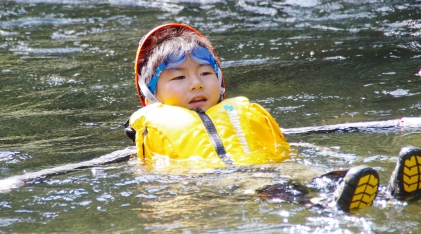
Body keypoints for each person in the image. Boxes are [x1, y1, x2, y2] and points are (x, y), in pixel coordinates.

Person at [124, 23, 421, 212]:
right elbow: (152, 180)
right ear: (152, 95)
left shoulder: (239, 112)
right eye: (179, 77)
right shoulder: (152, 130)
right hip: (219, 183)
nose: (196, 83)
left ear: (220, 81)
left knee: (316, 175)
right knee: (274, 188)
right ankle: (326, 205)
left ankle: (391, 193)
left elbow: (284, 151)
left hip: (270, 165)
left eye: (205, 73)